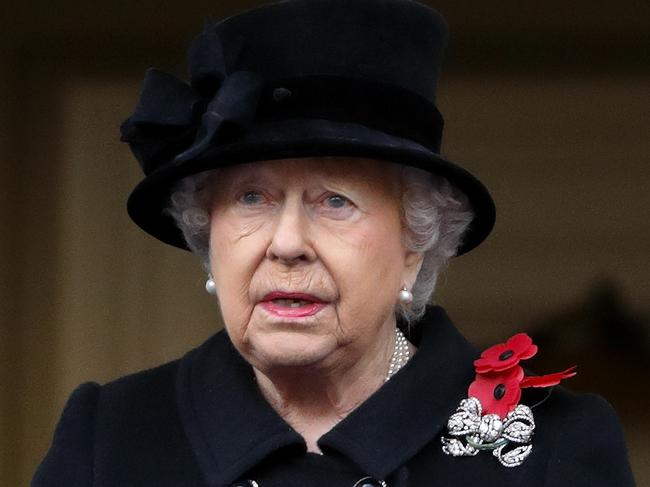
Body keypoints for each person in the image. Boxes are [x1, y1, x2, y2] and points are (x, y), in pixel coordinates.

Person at [32, 0, 636, 486]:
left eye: (335, 202)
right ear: (206, 233)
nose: (287, 243)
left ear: (415, 242)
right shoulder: (112, 436)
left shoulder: (554, 447)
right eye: (252, 198)